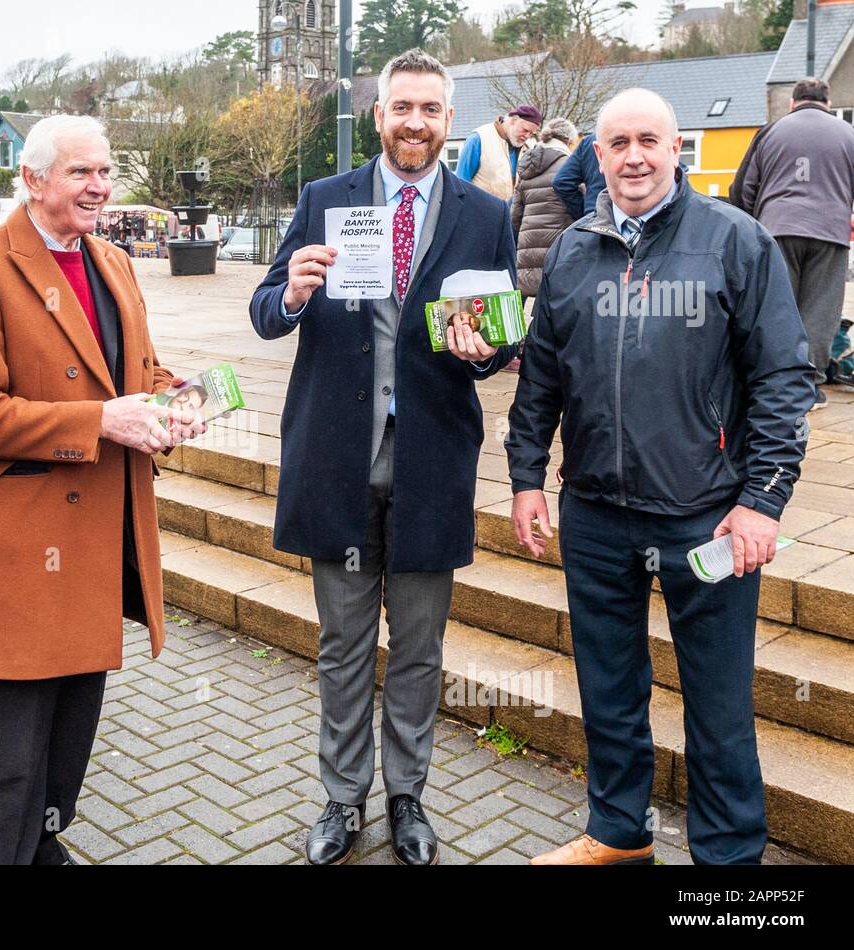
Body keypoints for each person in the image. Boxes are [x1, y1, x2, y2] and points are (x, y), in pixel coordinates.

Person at [505, 88, 812, 865]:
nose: (635, 156)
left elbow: (783, 378)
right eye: (618, 143)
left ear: (677, 148)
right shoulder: (575, 248)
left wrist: (762, 501)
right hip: (598, 512)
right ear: (597, 157)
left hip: (704, 516)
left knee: (716, 704)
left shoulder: (736, 241)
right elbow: (542, 375)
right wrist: (527, 476)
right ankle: (617, 834)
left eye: (650, 140)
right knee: (608, 692)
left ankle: (728, 860)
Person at [250, 49, 518, 866]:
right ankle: (340, 798)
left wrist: (482, 351)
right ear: (378, 115)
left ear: (448, 119)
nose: (415, 123)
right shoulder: (324, 200)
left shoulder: (484, 215)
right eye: (401, 107)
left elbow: (498, 342)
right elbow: (265, 312)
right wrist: (292, 292)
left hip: (431, 458)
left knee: (421, 645)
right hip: (337, 455)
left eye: (430, 110)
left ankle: (409, 797)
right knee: (341, 644)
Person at [0, 114, 205, 865]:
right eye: (82, 173)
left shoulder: (113, 260)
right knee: (10, 748)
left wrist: (169, 398)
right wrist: (100, 421)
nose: (99, 186)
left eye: (106, 172)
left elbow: (129, 372)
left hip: (99, 541)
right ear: (32, 180)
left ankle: (43, 847)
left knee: (72, 729)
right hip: (24, 551)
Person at [730, 77, 854, 409]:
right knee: (820, 311)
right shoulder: (848, 134)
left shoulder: (770, 131)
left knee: (776, 308)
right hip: (830, 231)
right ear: (828, 104)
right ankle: (808, 389)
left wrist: (752, 227)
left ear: (792, 102)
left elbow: (742, 189)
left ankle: (772, 383)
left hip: (776, 230)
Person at [511, 117, 578, 298]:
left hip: (527, 245)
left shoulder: (527, 165)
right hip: (558, 244)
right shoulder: (570, 166)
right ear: (568, 141)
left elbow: (515, 215)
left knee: (525, 298)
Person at [454, 104, 541, 200]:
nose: (527, 136)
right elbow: (460, 184)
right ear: (513, 120)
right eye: (525, 130)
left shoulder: (527, 148)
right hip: (480, 211)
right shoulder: (479, 139)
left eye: (531, 133)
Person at [552, 131, 605, 221]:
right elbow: (562, 182)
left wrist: (582, 214)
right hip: (626, 213)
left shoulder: (588, 141)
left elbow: (561, 182)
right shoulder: (634, 138)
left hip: (593, 212)